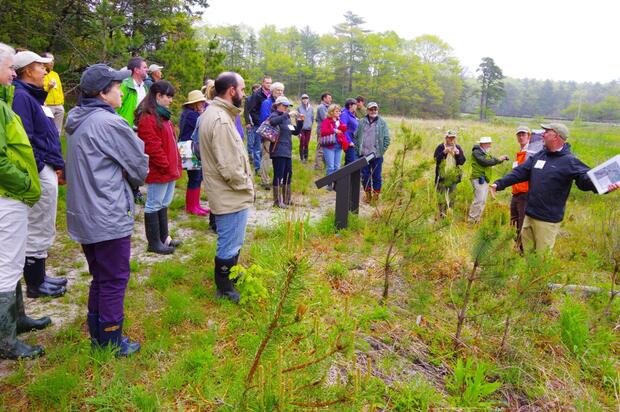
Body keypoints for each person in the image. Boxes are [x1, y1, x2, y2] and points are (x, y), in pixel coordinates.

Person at [64, 64, 148, 356]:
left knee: (100, 276)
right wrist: (133, 178)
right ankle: (111, 342)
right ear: (102, 93)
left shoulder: (78, 120)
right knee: (113, 279)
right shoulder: (109, 123)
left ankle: (99, 337)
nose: (120, 91)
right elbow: (139, 165)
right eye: (116, 86)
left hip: (85, 214)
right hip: (106, 212)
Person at [491, 123, 620, 254]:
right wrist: (499, 183)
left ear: (556, 136)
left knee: (541, 260)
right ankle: (526, 275)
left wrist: (606, 187)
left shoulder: (569, 161)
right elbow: (521, 172)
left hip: (547, 221)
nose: (543, 134)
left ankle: (538, 275)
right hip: (529, 215)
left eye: (547, 131)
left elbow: (585, 180)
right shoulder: (540, 155)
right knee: (526, 255)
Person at [0, 43, 47, 360]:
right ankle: (6, 341)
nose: (12, 73)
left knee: (13, 259)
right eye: (7, 68)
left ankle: (17, 318)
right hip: (8, 196)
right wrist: (28, 183)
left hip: (13, 195)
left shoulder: (4, 102)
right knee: (6, 264)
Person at [12, 50, 67, 298]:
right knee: (38, 223)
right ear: (27, 71)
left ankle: (41, 277)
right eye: (40, 66)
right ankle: (35, 284)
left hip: (46, 165)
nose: (45, 70)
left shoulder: (33, 97)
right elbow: (25, 138)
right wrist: (40, 165)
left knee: (45, 221)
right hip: (39, 167)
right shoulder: (22, 97)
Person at [199, 72, 254, 303]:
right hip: (230, 193)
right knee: (229, 241)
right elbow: (229, 167)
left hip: (229, 192)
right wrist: (247, 184)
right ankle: (224, 287)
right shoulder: (220, 119)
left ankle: (231, 274)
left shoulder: (218, 113)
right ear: (231, 90)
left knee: (234, 239)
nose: (244, 94)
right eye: (242, 89)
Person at [135, 80, 182, 255]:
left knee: (163, 203)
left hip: (169, 169)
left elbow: (170, 144)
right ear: (158, 96)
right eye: (168, 96)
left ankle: (165, 238)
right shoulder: (148, 118)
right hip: (160, 170)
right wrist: (165, 165)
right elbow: (152, 147)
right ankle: (153, 242)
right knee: (153, 204)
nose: (170, 100)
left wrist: (174, 164)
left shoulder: (164, 117)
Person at [267, 96, 303, 207]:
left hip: (287, 150)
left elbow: (295, 131)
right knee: (279, 175)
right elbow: (272, 122)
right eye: (284, 105)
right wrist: (287, 115)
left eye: (287, 106)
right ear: (277, 105)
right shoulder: (274, 115)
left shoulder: (286, 119)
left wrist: (300, 122)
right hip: (278, 150)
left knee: (288, 174)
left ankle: (287, 200)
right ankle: (277, 201)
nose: (286, 108)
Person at [179, 90, 209, 216]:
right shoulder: (192, 115)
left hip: (190, 147)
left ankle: (195, 204)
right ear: (195, 103)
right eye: (201, 102)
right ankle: (192, 206)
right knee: (195, 177)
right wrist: (202, 114)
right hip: (192, 149)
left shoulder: (187, 113)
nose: (203, 104)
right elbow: (203, 126)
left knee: (196, 177)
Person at [355, 102, 390, 203]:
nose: (373, 111)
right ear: (367, 110)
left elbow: (387, 139)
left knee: (377, 176)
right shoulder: (361, 122)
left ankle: (375, 198)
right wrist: (358, 150)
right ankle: (368, 196)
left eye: (375, 109)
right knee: (365, 175)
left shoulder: (382, 123)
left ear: (377, 110)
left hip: (376, 155)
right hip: (364, 155)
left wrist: (381, 151)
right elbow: (356, 136)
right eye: (371, 109)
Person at [468, 136, 509, 223]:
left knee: (482, 200)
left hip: (484, 179)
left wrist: (500, 159)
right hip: (478, 178)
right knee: (478, 199)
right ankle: (472, 220)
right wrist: (499, 159)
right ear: (482, 144)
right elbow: (486, 162)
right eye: (488, 144)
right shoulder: (476, 152)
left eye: (490, 143)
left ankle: (477, 219)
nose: (490, 145)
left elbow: (492, 160)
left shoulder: (485, 153)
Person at [258, 82, 284, 189]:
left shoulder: (283, 103)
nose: (280, 92)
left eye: (282, 90)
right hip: (269, 134)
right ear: (272, 91)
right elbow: (266, 119)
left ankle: (277, 179)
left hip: (279, 135)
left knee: (277, 158)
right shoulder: (266, 103)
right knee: (266, 157)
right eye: (278, 90)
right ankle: (265, 180)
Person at [510, 126, 532, 251]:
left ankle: (524, 250)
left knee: (522, 223)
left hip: (525, 193)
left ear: (529, 136)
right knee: (514, 222)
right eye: (519, 134)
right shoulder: (521, 151)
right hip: (516, 193)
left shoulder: (530, 152)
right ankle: (518, 246)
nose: (521, 137)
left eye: (523, 134)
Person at [434, 131, 466, 216]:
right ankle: (442, 215)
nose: (451, 139)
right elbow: (436, 160)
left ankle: (449, 214)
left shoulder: (457, 147)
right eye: (450, 137)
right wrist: (444, 152)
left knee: (452, 197)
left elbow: (462, 162)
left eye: (453, 137)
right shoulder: (440, 147)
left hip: (453, 177)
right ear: (446, 138)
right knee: (441, 197)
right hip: (442, 177)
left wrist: (458, 154)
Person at [245, 76, 271, 175]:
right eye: (267, 83)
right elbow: (250, 110)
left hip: (269, 125)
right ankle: (258, 168)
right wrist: (256, 121)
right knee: (257, 147)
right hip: (258, 124)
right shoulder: (257, 95)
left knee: (265, 148)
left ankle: (264, 167)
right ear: (263, 83)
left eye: (270, 83)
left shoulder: (271, 95)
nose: (269, 84)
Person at [116, 56, 148, 129]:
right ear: (136, 70)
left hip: (139, 130)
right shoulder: (124, 85)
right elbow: (114, 108)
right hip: (124, 129)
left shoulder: (144, 87)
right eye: (144, 67)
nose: (147, 69)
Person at [320, 104, 348, 187]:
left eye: (339, 111)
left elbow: (343, 132)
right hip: (329, 146)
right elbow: (323, 132)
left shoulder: (340, 121)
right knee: (331, 166)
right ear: (331, 112)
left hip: (338, 145)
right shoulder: (327, 121)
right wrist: (334, 130)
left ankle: (336, 184)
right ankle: (329, 184)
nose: (339, 113)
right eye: (336, 111)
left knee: (337, 166)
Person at [42, 52, 64, 134]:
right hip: (47, 106)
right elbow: (38, 89)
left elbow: (60, 90)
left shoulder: (55, 74)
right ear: (44, 61)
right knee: (47, 130)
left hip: (59, 106)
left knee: (58, 132)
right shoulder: (41, 73)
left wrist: (61, 103)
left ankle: (56, 146)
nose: (52, 62)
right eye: (50, 60)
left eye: (53, 60)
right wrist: (48, 87)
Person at [313, 92, 332, 170]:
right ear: (324, 98)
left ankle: (325, 165)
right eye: (329, 98)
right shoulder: (321, 107)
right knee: (320, 149)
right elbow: (325, 118)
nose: (331, 99)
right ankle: (317, 166)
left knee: (326, 148)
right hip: (322, 131)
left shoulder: (328, 107)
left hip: (327, 131)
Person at [340, 98, 359, 165]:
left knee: (352, 161)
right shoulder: (344, 114)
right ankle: (345, 175)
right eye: (355, 104)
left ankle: (348, 175)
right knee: (350, 162)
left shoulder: (352, 114)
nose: (356, 106)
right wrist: (349, 141)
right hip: (349, 142)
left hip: (354, 140)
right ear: (350, 105)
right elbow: (343, 129)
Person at [297, 93, 314, 163]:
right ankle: (301, 158)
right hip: (302, 128)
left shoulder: (311, 108)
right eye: (303, 98)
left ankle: (306, 157)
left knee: (307, 143)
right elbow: (297, 118)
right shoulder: (299, 108)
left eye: (306, 98)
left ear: (308, 99)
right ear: (301, 100)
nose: (305, 100)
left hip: (308, 128)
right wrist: (298, 128)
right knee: (302, 142)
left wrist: (310, 125)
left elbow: (312, 118)